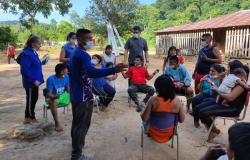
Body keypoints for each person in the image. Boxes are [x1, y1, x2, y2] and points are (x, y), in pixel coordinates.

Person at [69, 28, 127, 160]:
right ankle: (77, 155)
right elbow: (91, 72)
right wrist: (113, 69)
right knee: (82, 125)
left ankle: (76, 149)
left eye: (91, 38)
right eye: (88, 39)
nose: (91, 41)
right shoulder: (82, 55)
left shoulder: (75, 53)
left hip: (77, 93)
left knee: (77, 124)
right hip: (83, 95)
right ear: (79, 39)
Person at [195, 63, 249, 142]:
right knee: (198, 108)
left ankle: (212, 132)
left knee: (203, 112)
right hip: (224, 103)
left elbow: (230, 98)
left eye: (228, 68)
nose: (226, 70)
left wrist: (217, 90)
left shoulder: (240, 85)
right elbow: (219, 79)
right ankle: (214, 130)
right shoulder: (232, 79)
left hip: (232, 108)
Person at [141, 74, 185, 143]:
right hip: (169, 134)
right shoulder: (177, 101)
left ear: (157, 88)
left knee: (143, 112)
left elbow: (144, 118)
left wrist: (142, 110)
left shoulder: (153, 100)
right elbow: (181, 120)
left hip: (152, 133)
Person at [16, 35, 45, 124]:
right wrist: (33, 80)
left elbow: (34, 64)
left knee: (34, 98)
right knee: (31, 99)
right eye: (39, 43)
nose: (40, 45)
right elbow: (24, 70)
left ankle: (29, 116)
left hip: (35, 81)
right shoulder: (26, 54)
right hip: (31, 82)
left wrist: (43, 61)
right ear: (33, 44)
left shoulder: (33, 52)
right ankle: (29, 117)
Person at [46, 64, 70, 132]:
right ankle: (57, 123)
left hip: (63, 96)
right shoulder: (51, 79)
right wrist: (54, 97)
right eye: (66, 69)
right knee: (53, 101)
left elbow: (68, 90)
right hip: (54, 97)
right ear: (61, 72)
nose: (67, 70)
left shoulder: (66, 77)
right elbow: (49, 94)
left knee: (76, 97)